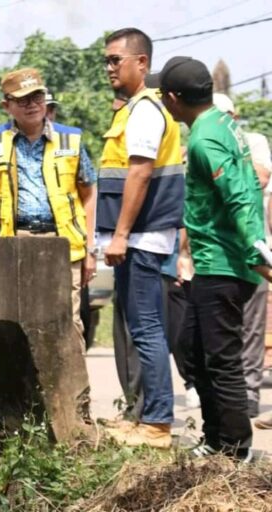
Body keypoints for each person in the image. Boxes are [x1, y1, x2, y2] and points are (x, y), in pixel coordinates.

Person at [152, 56, 272, 460]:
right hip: (211, 261)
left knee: (220, 360)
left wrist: (258, 248)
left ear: (172, 99)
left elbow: (239, 193)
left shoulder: (205, 139)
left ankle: (234, 448)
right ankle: (216, 438)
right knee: (192, 349)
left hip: (224, 262)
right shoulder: (219, 123)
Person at [0, 68, 97, 353]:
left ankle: (73, 396)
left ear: (46, 99)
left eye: (37, 97)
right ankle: (26, 395)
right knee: (15, 322)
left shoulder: (71, 140)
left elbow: (89, 194)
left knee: (67, 322)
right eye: (23, 99)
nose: (32, 105)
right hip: (12, 244)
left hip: (64, 245)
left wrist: (92, 249)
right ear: (7, 105)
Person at [98, 28, 184, 449]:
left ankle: (158, 424)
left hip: (142, 239)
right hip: (136, 238)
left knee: (147, 329)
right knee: (138, 327)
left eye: (116, 59)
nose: (109, 67)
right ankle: (144, 416)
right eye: (107, 60)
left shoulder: (145, 111)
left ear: (142, 64)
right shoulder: (130, 110)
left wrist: (121, 235)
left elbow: (140, 172)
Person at [213, 93, 270, 418]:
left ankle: (249, 392)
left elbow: (260, 178)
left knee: (252, 326)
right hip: (217, 251)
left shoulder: (254, 141)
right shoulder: (203, 144)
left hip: (253, 249)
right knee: (222, 328)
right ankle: (228, 393)